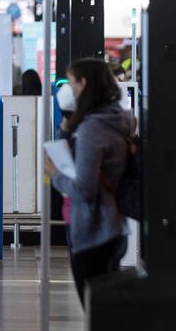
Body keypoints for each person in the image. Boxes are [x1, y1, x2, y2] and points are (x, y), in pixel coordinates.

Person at [44, 58, 131, 307]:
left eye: (70, 82)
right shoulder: (112, 119)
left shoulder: (93, 129)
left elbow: (85, 189)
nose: (67, 89)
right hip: (112, 226)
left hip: (94, 231)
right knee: (105, 315)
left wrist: (54, 173)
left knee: (97, 315)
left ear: (84, 84)